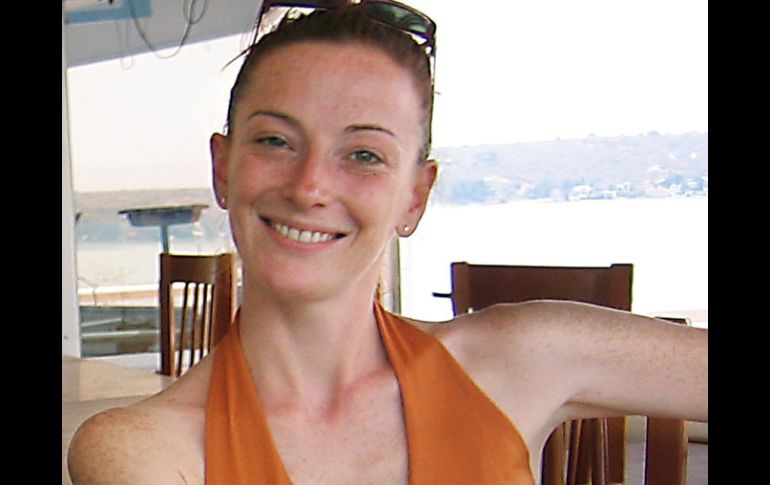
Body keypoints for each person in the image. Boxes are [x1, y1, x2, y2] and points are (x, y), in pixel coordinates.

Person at [67, 2, 707, 484]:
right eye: (275, 141)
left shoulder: (523, 357)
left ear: (414, 197)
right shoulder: (143, 450)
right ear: (222, 170)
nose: (310, 186)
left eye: (364, 154)